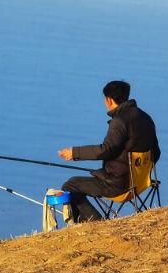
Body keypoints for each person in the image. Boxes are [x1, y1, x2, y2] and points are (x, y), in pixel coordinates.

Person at [57, 80, 160, 222]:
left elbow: (106, 150)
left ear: (109, 100)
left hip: (119, 186)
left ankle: (96, 223)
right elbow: (156, 153)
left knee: (70, 185)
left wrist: (74, 153)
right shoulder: (145, 117)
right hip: (141, 183)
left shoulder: (120, 121)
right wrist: (138, 171)